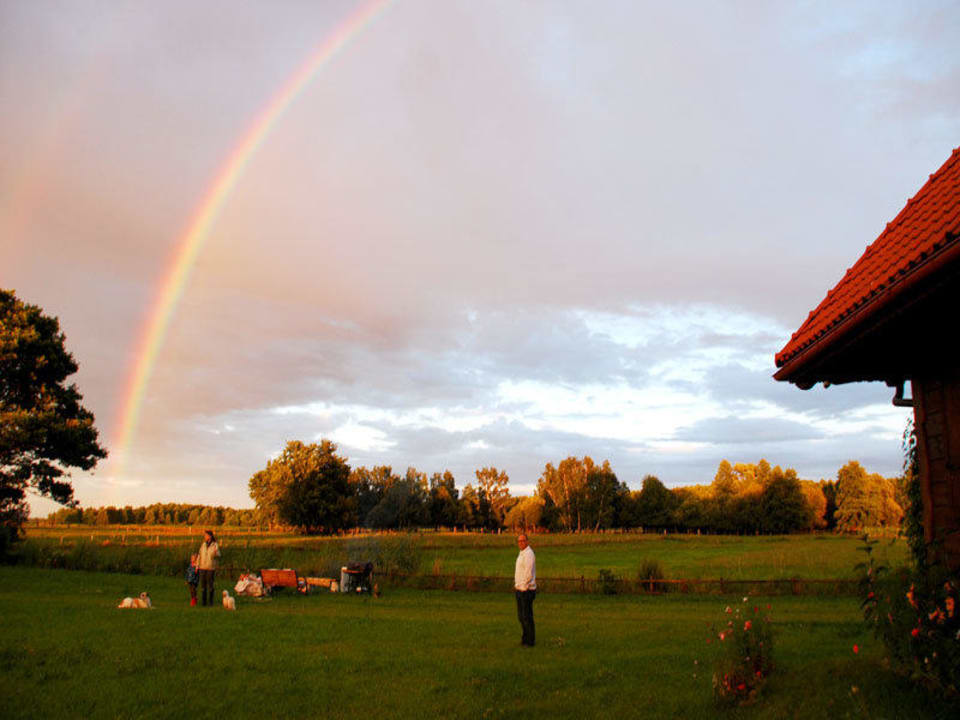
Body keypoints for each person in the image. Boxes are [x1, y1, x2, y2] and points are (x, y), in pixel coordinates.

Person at [514, 532, 537, 647]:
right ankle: (525, 638)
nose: (521, 543)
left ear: (527, 542)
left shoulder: (529, 554)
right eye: (519, 541)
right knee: (521, 616)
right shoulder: (521, 553)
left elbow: (528, 573)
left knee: (526, 616)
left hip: (526, 590)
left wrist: (523, 587)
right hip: (519, 589)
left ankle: (530, 640)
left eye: (523, 541)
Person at [197, 530, 221, 606]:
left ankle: (211, 601)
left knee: (210, 585)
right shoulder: (203, 545)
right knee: (203, 585)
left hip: (210, 567)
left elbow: (218, 555)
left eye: (206, 535)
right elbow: (199, 555)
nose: (205, 537)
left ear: (210, 536)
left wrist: (216, 553)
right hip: (202, 567)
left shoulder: (215, 545)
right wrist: (197, 565)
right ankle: (204, 602)